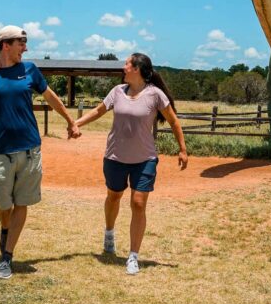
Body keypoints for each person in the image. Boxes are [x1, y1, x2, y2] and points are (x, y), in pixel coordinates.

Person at [0, 25, 81, 280]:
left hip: (30, 148)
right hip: (2, 150)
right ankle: (6, 227)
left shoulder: (30, 70)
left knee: (21, 202)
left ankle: (7, 257)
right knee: (4, 205)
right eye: (21, 43)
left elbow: (50, 96)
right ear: (6, 45)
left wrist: (71, 121)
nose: (25, 47)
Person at [74, 52, 187, 275]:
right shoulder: (117, 91)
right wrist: (75, 123)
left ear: (136, 69)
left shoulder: (155, 95)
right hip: (115, 156)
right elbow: (98, 111)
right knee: (113, 196)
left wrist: (182, 149)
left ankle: (133, 256)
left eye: (126, 64)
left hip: (145, 159)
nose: (123, 67)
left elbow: (173, 121)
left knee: (138, 203)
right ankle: (109, 233)